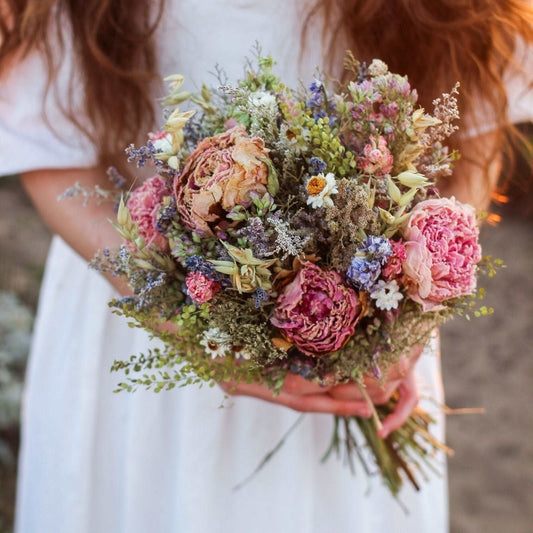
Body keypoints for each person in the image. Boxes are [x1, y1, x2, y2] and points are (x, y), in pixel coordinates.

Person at [1, 1, 531, 532]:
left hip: (374, 330)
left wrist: (412, 308)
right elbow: (43, 139)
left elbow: (474, 118)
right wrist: (176, 314)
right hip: (146, 309)